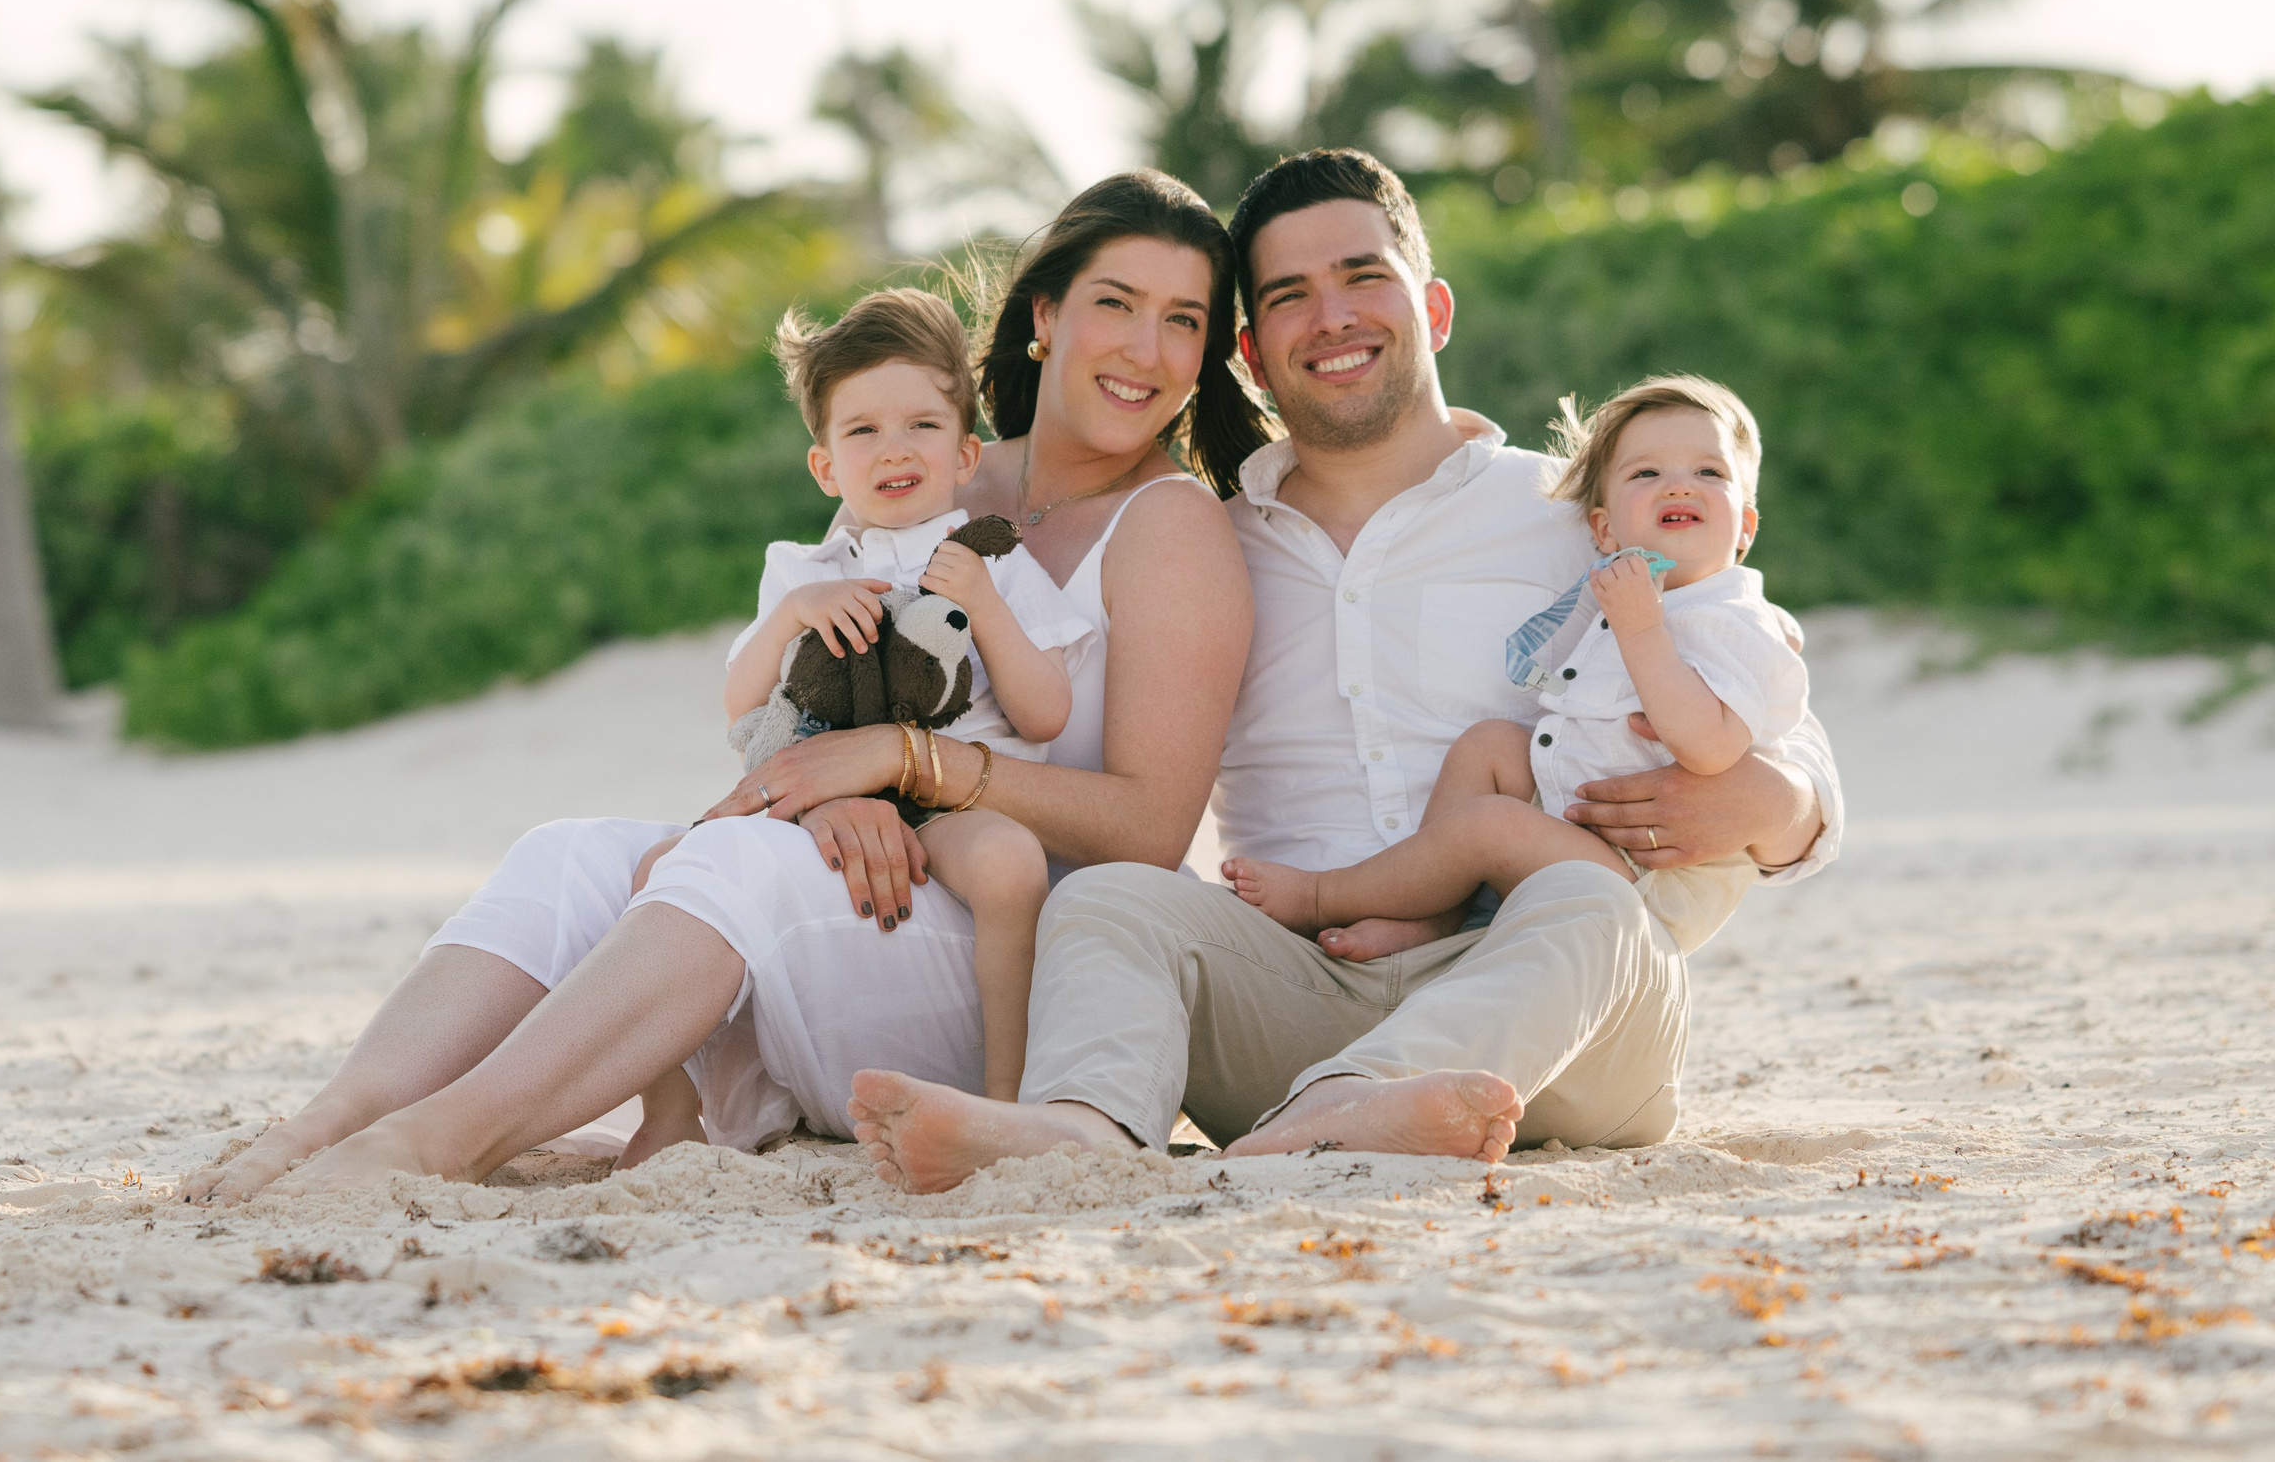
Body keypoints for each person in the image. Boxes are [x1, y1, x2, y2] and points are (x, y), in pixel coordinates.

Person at [177, 169, 1266, 1204]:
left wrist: (910, 765)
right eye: (1116, 303)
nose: (1144, 347)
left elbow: (1151, 825)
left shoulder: (1170, 524)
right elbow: (817, 690)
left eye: (1183, 319)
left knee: (737, 864)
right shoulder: (930, 459)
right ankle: (329, 1121)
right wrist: (833, 792)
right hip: (878, 893)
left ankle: (436, 1140)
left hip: (1010, 955)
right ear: (1044, 316)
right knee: (574, 854)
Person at [847, 149, 1843, 1193]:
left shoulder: (1568, 515)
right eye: (1288, 296)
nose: (1331, 315)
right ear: (1251, 351)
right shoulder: (1200, 541)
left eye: (1363, 277)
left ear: (1434, 307)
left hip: (1551, 1008)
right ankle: (1082, 1129)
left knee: (1594, 906)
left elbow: (1757, 668)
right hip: (1291, 991)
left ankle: (1368, 1097)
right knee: (1109, 900)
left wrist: (1778, 797)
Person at [622, 288, 1093, 1152]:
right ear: (826, 468)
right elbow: (741, 704)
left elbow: (1046, 711)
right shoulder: (804, 567)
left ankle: (1005, 1095)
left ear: (964, 453)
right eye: (863, 431)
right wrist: (796, 614)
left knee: (1012, 862)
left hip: (955, 799)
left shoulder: (992, 558)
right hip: (825, 793)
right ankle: (668, 1109)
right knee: (660, 864)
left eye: (920, 425)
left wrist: (984, 606)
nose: (894, 449)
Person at [1224, 373, 1806, 958]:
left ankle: (1325, 896)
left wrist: (1642, 627)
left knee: (1490, 827)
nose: (1679, 486)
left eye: (1710, 472)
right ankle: (1431, 915)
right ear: (1603, 530)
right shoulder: (1629, 588)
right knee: (1489, 746)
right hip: (1582, 820)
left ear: (1746, 529)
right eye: (1647, 473)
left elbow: (1710, 748)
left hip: (1653, 874)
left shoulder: (1736, 619)